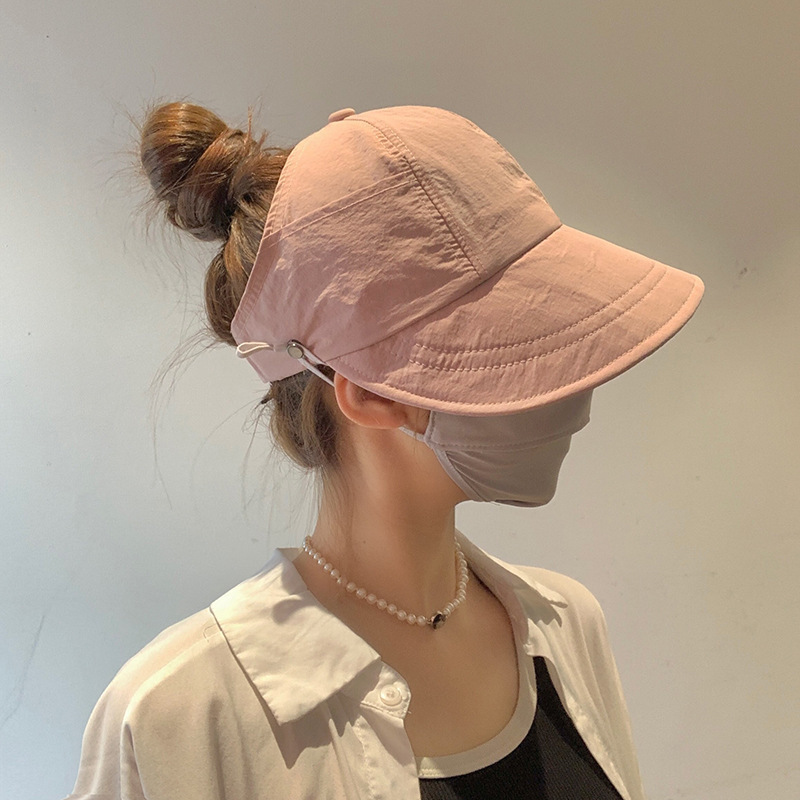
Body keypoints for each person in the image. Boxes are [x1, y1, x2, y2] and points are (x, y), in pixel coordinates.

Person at [66, 103, 704, 800]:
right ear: (369, 394)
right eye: (520, 353)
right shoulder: (176, 718)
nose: (577, 392)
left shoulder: (568, 624)